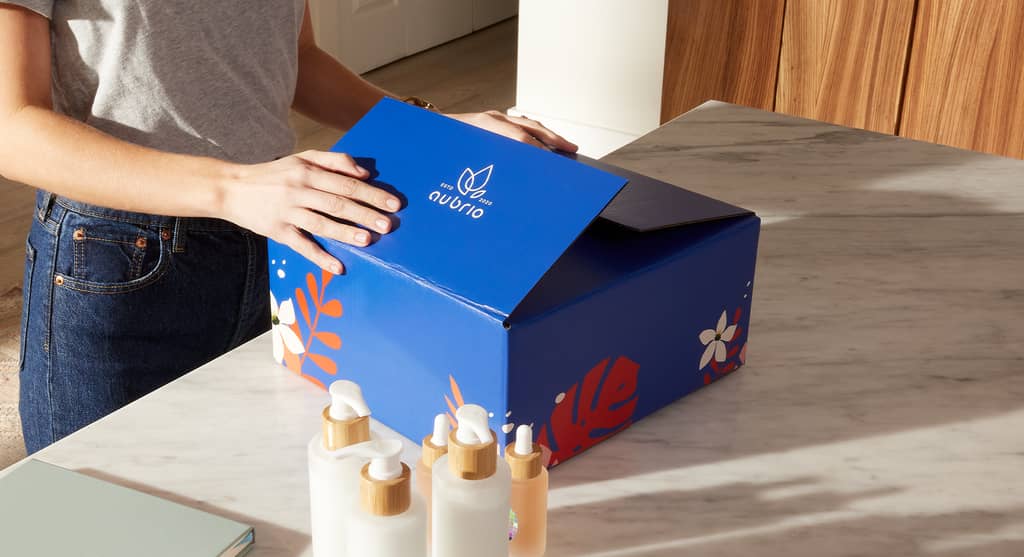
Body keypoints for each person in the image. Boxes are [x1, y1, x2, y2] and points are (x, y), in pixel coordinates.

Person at [0, 1, 577, 454]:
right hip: (120, 257)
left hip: (276, 231)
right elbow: (11, 126)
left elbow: (295, 58)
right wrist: (232, 188)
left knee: (250, 499)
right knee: (100, 512)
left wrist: (436, 134)